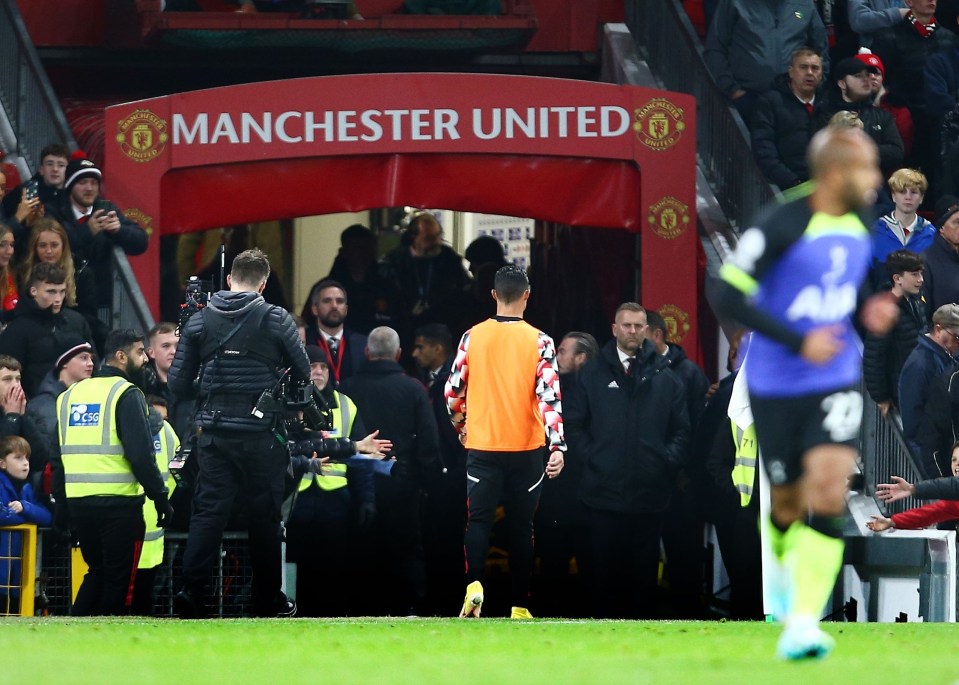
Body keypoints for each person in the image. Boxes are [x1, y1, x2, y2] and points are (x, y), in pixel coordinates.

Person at [714, 126, 897, 659]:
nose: (877, 180)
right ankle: (789, 599)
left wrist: (869, 305)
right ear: (836, 174)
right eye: (867, 169)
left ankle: (803, 622)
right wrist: (798, 338)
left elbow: (850, 278)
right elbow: (726, 290)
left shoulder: (861, 217)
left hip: (835, 373)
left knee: (827, 487)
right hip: (775, 378)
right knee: (789, 501)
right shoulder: (781, 222)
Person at [168, 248, 308, 619]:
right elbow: (303, 371)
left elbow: (177, 384)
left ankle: (193, 592)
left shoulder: (199, 322)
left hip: (213, 432)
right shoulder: (276, 318)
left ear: (229, 280)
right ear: (263, 284)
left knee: (209, 513)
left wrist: (210, 383)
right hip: (262, 434)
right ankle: (266, 598)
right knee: (265, 517)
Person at [445, 265, 566, 619]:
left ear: (494, 295)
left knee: (478, 521)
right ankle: (519, 604)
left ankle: (474, 584)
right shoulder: (540, 340)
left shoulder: (472, 336)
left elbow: (453, 391)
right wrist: (557, 446)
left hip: (483, 444)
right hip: (527, 447)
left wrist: (461, 426)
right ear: (527, 295)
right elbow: (550, 397)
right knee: (522, 526)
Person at [564, 305, 690, 619]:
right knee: (603, 579)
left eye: (639, 326)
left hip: (650, 495)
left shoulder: (667, 376)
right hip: (602, 494)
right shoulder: (591, 374)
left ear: (647, 330)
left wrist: (664, 461)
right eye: (627, 325)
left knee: (643, 580)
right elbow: (574, 425)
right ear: (614, 328)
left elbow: (682, 430)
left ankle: (643, 643)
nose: (633, 331)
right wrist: (594, 459)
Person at [51, 328, 171, 616]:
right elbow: (141, 455)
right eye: (139, 352)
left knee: (97, 572)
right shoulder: (126, 394)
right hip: (119, 505)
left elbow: (58, 460)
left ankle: (75, 630)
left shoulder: (69, 396)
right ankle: (104, 636)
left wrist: (62, 509)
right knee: (118, 581)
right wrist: (160, 496)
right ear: (120, 356)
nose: (144, 359)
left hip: (80, 503)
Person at [340, 326, 443, 616]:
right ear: (398, 354)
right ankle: (410, 606)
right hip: (403, 484)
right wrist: (425, 483)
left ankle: (360, 608)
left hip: (357, 484)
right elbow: (428, 442)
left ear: (367, 352)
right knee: (407, 550)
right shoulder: (413, 389)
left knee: (361, 550)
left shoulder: (346, 387)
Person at [285, 344, 375, 617]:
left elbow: (362, 457)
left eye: (323, 366)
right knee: (292, 562)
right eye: (312, 366)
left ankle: (332, 613)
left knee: (332, 565)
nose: (319, 371)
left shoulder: (345, 405)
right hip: (296, 496)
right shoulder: (289, 402)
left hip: (334, 499)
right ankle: (291, 611)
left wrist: (367, 498)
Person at [646, 309, 710, 617]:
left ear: (656, 335)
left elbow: (698, 430)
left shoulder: (689, 374)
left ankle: (688, 613)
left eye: (639, 331)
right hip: (647, 481)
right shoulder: (636, 371)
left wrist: (685, 471)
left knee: (683, 553)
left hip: (681, 484)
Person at [535, 330, 597, 618]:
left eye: (561, 351)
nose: (555, 356)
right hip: (566, 492)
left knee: (577, 562)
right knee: (556, 561)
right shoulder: (552, 388)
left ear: (581, 358)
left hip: (580, 492)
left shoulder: (590, 392)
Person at [410, 323, 468, 614]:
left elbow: (451, 432)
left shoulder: (453, 382)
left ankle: (448, 603)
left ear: (438, 349)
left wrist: (450, 473)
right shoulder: (431, 379)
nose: (414, 353)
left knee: (447, 543)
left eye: (420, 347)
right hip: (441, 478)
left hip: (449, 480)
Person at [44, 157, 148, 308]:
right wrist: (87, 231)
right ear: (70, 186)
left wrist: (119, 231)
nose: (89, 188)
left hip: (101, 299)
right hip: (63, 297)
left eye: (94, 183)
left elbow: (141, 242)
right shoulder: (53, 210)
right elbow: (52, 245)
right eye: (82, 183)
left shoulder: (106, 208)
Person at [704, 0, 829, 122]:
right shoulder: (734, 2)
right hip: (747, 99)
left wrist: (815, 88)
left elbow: (821, 50)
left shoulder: (803, 5)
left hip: (794, 100)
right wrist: (733, 90)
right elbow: (715, 48)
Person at [0, 263, 93, 398]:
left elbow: (93, 362)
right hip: (35, 407)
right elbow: (7, 376)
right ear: (33, 291)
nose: (58, 299)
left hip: (78, 402)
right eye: (51, 292)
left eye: (62, 292)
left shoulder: (76, 321)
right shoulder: (17, 331)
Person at [750, 47, 826, 191]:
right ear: (791, 71)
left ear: (821, 74)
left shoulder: (828, 103)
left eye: (815, 68)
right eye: (803, 67)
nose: (810, 72)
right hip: (789, 187)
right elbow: (763, 147)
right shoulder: (770, 101)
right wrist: (791, 181)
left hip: (826, 187)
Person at [382, 212, 470, 335]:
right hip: (406, 327)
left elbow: (463, 288)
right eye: (428, 238)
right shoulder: (396, 261)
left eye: (438, 236)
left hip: (444, 325)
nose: (436, 242)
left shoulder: (448, 258)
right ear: (413, 237)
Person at [815, 57, 905, 176]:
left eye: (867, 75)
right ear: (842, 83)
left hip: (874, 187)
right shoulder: (824, 115)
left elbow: (897, 153)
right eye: (858, 76)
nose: (866, 79)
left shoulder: (882, 116)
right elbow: (820, 154)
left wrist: (859, 148)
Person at [130, 396, 178, 616]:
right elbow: (178, 473)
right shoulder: (167, 432)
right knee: (145, 598)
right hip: (155, 522)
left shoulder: (126, 426)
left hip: (125, 518)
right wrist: (163, 498)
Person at [863, 250, 927, 415]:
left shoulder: (916, 302)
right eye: (914, 274)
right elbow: (873, 357)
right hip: (901, 393)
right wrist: (881, 397)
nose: (921, 280)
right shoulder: (884, 311)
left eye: (921, 273)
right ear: (897, 278)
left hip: (918, 388)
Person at [19, 217, 100, 344]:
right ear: (34, 248)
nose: (49, 251)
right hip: (33, 336)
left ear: (64, 246)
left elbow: (90, 318)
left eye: (54, 245)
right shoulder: (24, 273)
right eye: (42, 246)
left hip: (73, 337)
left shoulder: (82, 273)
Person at [898, 303, 959, 457]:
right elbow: (913, 422)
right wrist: (931, 459)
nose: (958, 343)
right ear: (938, 329)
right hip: (932, 451)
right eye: (956, 337)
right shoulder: (920, 365)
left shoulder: (945, 356)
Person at [0, 436, 51, 614]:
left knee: (14, 611)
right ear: (2, 463)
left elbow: (47, 516)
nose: (25, 463)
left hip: (18, 573)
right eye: (18, 458)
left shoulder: (27, 489)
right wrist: (28, 517)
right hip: (3, 568)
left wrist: (25, 508)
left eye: (27, 458)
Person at [25, 335, 95, 465]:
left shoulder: (92, 399)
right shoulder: (41, 406)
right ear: (64, 363)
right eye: (83, 358)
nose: (91, 363)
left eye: (91, 358)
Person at [869, 442, 959, 531]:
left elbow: (951, 485)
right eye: (954, 460)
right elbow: (929, 513)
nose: (957, 464)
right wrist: (892, 521)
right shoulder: (954, 502)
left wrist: (914, 488)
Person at [870, 169, 935, 287]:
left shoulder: (931, 235)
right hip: (882, 302)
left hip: (921, 303)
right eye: (902, 192)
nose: (908, 197)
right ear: (893, 196)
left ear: (921, 198)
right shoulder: (875, 232)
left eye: (914, 192)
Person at [304, 280, 368, 383]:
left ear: (346, 309)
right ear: (314, 309)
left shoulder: (363, 344)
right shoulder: (303, 340)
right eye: (327, 301)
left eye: (340, 301)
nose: (334, 306)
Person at [921, 195, 959, 316]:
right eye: (956, 223)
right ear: (941, 228)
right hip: (940, 332)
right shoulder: (926, 260)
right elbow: (922, 312)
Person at [0, 223, 18, 326]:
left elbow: (12, 308)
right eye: (2, 245)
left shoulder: (6, 274)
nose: (10, 251)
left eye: (12, 245)